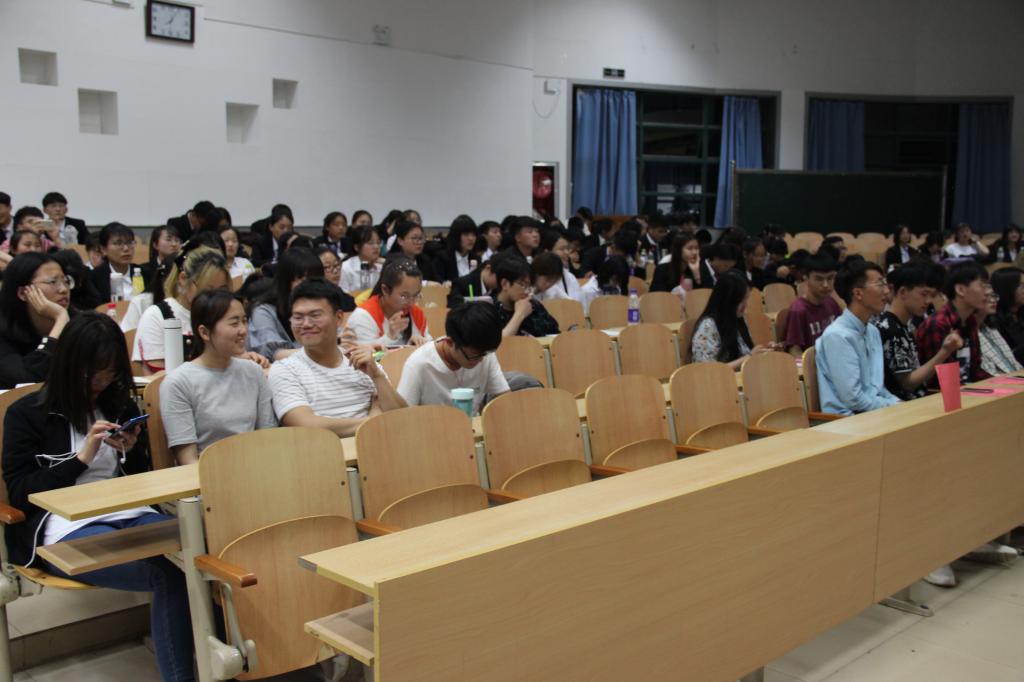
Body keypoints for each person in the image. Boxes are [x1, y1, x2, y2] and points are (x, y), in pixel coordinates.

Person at [2, 313, 194, 681]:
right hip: (63, 527)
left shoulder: (117, 403)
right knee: (168, 574)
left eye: (109, 373)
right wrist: (81, 459)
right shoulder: (27, 414)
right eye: (93, 374)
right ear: (70, 365)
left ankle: (222, 659)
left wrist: (131, 451)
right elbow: (22, 491)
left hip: (126, 511)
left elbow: (138, 482)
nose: (101, 383)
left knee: (200, 548)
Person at [269, 278, 406, 436]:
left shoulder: (364, 361)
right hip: (323, 450)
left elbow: (400, 417)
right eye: (298, 317)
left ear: (339, 318)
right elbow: (306, 425)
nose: (306, 324)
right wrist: (373, 421)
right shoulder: (285, 370)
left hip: (375, 446)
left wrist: (377, 377)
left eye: (315, 315)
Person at [160, 289, 276, 464]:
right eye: (234, 323)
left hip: (255, 468)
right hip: (207, 474)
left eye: (244, 321)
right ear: (204, 332)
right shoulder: (178, 382)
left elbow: (268, 437)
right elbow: (188, 460)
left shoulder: (253, 371)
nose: (243, 330)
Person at [815, 260, 900, 415]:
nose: (887, 291)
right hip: (849, 420)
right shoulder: (838, 336)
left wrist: (897, 403)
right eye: (880, 284)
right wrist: (892, 406)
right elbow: (853, 399)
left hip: (873, 412)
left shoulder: (872, 331)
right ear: (858, 293)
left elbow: (877, 388)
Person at [133, 246, 234, 373]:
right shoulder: (157, 316)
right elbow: (156, 378)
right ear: (183, 279)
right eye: (207, 290)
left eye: (222, 290)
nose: (215, 298)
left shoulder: (226, 313)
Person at [397, 301, 509, 415]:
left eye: (485, 353)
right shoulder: (418, 364)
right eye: (474, 355)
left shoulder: (483, 353)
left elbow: (503, 398)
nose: (481, 360)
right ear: (450, 342)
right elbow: (402, 415)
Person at [873, 264, 962, 401]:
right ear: (903, 292)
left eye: (932, 295)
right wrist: (945, 351)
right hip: (900, 406)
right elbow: (908, 383)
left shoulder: (902, 326)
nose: (928, 301)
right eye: (923, 294)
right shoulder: (890, 329)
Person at [0, 253, 73, 388]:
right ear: (23, 293)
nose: (63, 289)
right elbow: (26, 383)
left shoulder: (77, 320)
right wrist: (60, 319)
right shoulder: (4, 332)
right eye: (52, 282)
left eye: (65, 281)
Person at [915, 261, 991, 385]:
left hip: (970, 390)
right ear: (960, 289)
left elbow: (975, 370)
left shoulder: (970, 320)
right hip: (945, 393)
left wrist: (1000, 383)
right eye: (982, 286)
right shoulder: (938, 324)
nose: (988, 292)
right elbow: (939, 380)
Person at [246, 247, 324, 361]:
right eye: (302, 280)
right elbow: (273, 353)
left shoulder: (324, 305)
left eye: (315, 280)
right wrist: (324, 353)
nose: (310, 286)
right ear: (286, 281)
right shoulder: (263, 311)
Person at [691, 272, 771, 369]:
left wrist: (764, 351)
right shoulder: (708, 327)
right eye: (741, 300)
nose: (746, 305)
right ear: (727, 300)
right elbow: (710, 371)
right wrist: (750, 357)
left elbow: (744, 353)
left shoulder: (737, 319)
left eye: (746, 299)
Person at [345, 258, 431, 346]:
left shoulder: (416, 313)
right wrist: (389, 337)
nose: (411, 303)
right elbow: (361, 352)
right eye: (404, 296)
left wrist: (421, 345)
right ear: (385, 290)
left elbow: (430, 347)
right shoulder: (363, 317)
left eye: (416, 295)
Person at [783, 255, 841, 355]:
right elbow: (794, 350)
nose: (825, 285)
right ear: (806, 278)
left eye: (830, 278)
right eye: (819, 279)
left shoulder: (832, 303)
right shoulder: (798, 310)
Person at [490, 254, 560, 337]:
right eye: (522, 285)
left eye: (529, 286)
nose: (527, 292)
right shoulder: (489, 310)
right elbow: (496, 342)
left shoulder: (533, 305)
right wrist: (519, 314)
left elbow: (555, 333)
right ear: (505, 284)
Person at [976, 283, 1023, 376]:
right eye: (987, 296)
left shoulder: (991, 329)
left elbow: (1013, 364)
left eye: (993, 296)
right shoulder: (967, 334)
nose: (993, 300)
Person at [88, 222, 139, 303]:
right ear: (103, 249)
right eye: (118, 243)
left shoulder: (146, 274)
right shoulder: (94, 278)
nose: (126, 248)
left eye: (129, 242)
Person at [990, 267, 1024, 363]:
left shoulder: (1020, 313)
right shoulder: (993, 320)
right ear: (1008, 289)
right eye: (1022, 286)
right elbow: (1006, 358)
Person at [340, 225, 383, 294]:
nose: (376, 246)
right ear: (357, 247)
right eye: (370, 243)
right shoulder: (345, 268)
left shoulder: (381, 267)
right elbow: (342, 296)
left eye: (378, 243)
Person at [436, 215, 478, 283]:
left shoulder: (477, 259)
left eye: (473, 235)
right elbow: (438, 282)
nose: (471, 238)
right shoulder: (442, 258)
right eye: (466, 234)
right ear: (456, 236)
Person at [315, 246, 356, 311]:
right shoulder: (312, 299)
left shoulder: (347, 299)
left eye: (336, 265)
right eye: (327, 267)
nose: (335, 271)